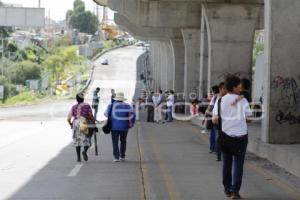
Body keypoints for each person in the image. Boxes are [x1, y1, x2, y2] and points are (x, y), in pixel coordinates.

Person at [212, 76, 252, 199]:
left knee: (227, 163)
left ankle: (227, 189)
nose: (241, 87)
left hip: (226, 137)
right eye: (239, 85)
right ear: (234, 87)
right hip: (241, 137)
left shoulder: (220, 101)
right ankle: (235, 191)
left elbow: (214, 120)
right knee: (238, 164)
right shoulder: (243, 101)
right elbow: (249, 119)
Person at [104, 92, 134, 162]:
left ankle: (116, 157)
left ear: (116, 98)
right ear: (122, 99)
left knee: (115, 141)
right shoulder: (128, 106)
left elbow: (106, 114)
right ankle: (122, 156)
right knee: (123, 141)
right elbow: (132, 115)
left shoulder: (111, 106)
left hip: (114, 127)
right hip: (125, 127)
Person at [67, 93, 94, 162]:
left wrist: (71, 124)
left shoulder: (73, 107)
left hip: (75, 122)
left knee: (77, 140)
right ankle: (84, 151)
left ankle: (78, 158)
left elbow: (68, 118)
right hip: (83, 122)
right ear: (83, 99)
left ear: (76, 99)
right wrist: (93, 123)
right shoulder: (87, 105)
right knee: (87, 139)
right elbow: (90, 116)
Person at [212, 82, 227, 161]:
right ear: (220, 89)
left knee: (224, 139)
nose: (226, 90)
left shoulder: (228, 98)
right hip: (219, 123)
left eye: (226, 88)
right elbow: (215, 112)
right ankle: (219, 155)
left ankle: (223, 154)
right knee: (219, 139)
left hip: (227, 124)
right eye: (224, 88)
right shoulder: (217, 98)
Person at [205, 85, 219, 153]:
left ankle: (213, 148)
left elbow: (210, 106)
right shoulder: (218, 97)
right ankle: (216, 149)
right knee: (216, 133)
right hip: (217, 117)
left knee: (213, 133)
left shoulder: (215, 97)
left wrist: (206, 114)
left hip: (213, 116)